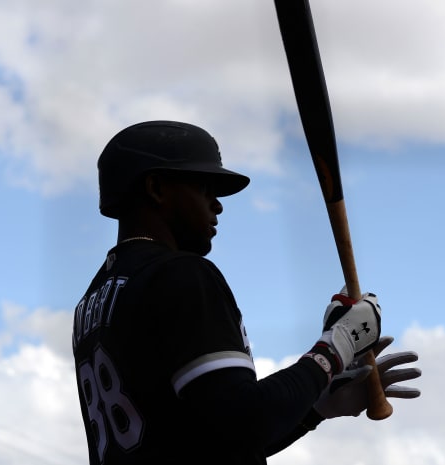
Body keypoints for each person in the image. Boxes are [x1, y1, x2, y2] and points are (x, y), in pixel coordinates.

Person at [72, 120, 421, 464]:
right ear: (157, 188)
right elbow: (246, 421)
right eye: (204, 188)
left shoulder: (92, 301)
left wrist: (315, 405)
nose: (217, 205)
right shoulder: (180, 273)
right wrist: (337, 346)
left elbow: (222, 438)